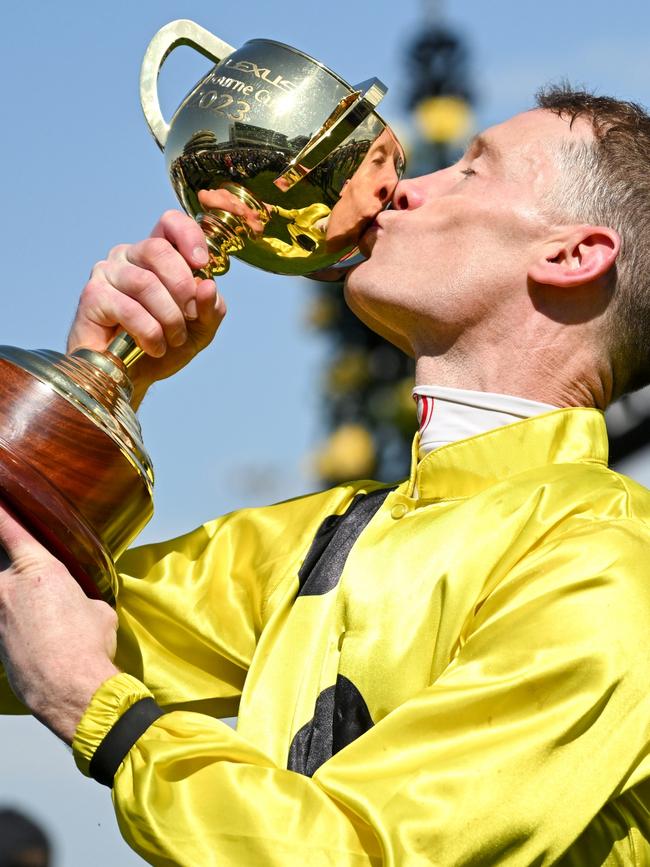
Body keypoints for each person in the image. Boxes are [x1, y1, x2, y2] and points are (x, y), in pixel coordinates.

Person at [1, 84, 650, 865]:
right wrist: (86, 405)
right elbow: (24, 632)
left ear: (572, 255)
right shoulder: (324, 533)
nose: (405, 188)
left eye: (473, 171)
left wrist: (105, 714)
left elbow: (362, 851)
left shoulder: (612, 564)